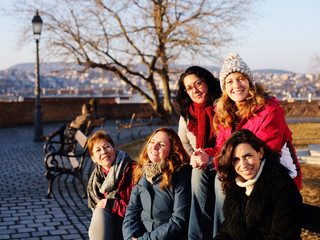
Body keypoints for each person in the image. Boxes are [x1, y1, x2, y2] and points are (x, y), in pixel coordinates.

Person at [192, 53, 302, 236]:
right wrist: (205, 155)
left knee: (223, 180)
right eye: (230, 81)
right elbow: (222, 149)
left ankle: (228, 234)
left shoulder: (269, 110)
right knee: (198, 173)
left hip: (274, 173)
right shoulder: (226, 113)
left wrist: (215, 161)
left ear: (250, 81)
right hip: (245, 167)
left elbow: (264, 152)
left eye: (241, 79)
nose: (236, 85)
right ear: (224, 88)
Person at [213, 129, 302, 239]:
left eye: (247, 156)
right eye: (235, 159)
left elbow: (282, 236)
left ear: (260, 152)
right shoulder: (237, 186)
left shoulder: (282, 185)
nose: (243, 165)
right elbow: (227, 231)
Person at [176, 66, 222, 239]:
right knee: (197, 173)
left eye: (198, 84)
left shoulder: (222, 106)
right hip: (197, 164)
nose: (194, 90)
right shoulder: (187, 112)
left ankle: (220, 235)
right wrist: (195, 158)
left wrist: (210, 159)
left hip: (221, 160)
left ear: (207, 83)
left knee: (220, 181)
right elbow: (183, 143)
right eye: (189, 87)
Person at [122, 127, 192, 240]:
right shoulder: (141, 171)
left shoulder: (181, 174)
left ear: (173, 149)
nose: (154, 147)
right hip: (140, 235)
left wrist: (146, 239)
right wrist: (130, 237)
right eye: (152, 142)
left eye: (161, 145)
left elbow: (179, 220)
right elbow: (131, 211)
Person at [87, 130, 135, 240]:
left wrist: (111, 204)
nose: (103, 152)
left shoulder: (132, 170)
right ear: (93, 158)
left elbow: (138, 208)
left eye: (107, 147)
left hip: (129, 223)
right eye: (98, 150)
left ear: (114, 148)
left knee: (100, 212)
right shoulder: (96, 178)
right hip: (110, 221)